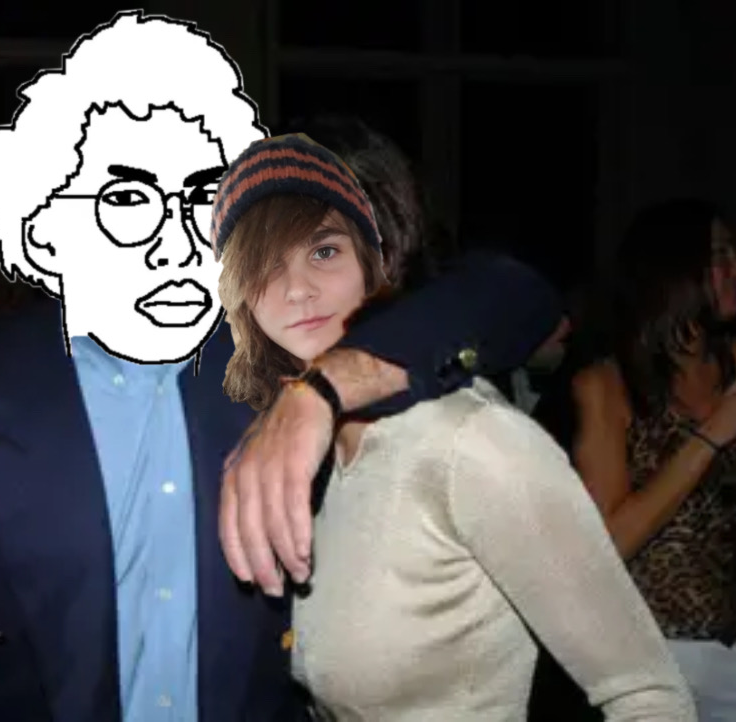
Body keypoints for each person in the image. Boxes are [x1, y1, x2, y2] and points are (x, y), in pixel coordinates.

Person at [0, 11, 564, 722]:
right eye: (126, 200)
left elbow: (514, 294)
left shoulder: (280, 352)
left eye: (198, 198)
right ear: (44, 231)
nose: (172, 241)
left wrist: (323, 390)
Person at [212, 133, 694, 720]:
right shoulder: (300, 444)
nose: (295, 289)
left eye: (324, 251)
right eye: (265, 260)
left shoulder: (469, 441)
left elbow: (649, 697)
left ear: (384, 255)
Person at [571, 199, 736, 720]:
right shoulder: (607, 386)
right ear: (675, 273)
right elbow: (609, 543)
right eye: (722, 254)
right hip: (654, 652)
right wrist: (710, 436)